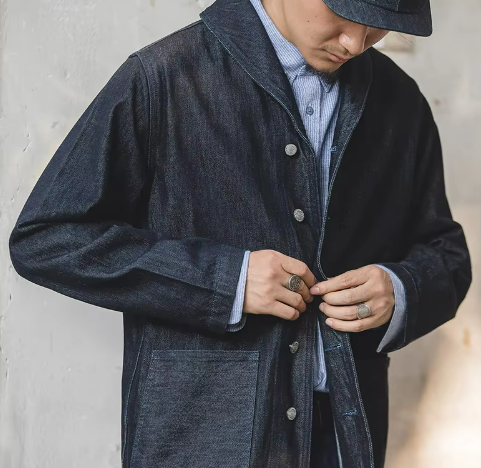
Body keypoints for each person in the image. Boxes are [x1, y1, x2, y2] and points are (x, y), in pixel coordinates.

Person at [8, 0, 472, 466]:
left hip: (343, 434)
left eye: (376, 27)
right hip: (203, 436)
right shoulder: (165, 76)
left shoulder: (400, 101)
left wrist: (397, 289)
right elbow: (48, 237)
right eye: (344, 14)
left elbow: (447, 255)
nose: (355, 43)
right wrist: (225, 280)